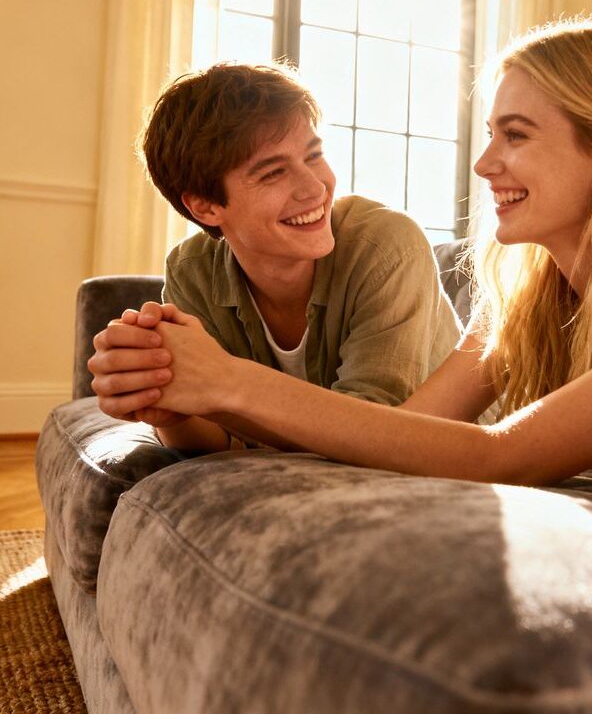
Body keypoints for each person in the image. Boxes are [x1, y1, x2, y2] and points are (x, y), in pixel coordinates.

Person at [91, 17, 592, 484]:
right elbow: (405, 432)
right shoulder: (526, 290)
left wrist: (230, 382)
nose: (486, 163)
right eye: (489, 135)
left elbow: (503, 455)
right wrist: (176, 394)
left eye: (514, 136)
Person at [88, 62, 461, 452]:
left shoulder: (387, 245)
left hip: (452, 472)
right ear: (206, 208)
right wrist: (168, 407)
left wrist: (223, 386)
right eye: (273, 173)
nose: (314, 187)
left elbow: (373, 432)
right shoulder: (191, 270)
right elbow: (216, 444)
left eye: (313, 156)